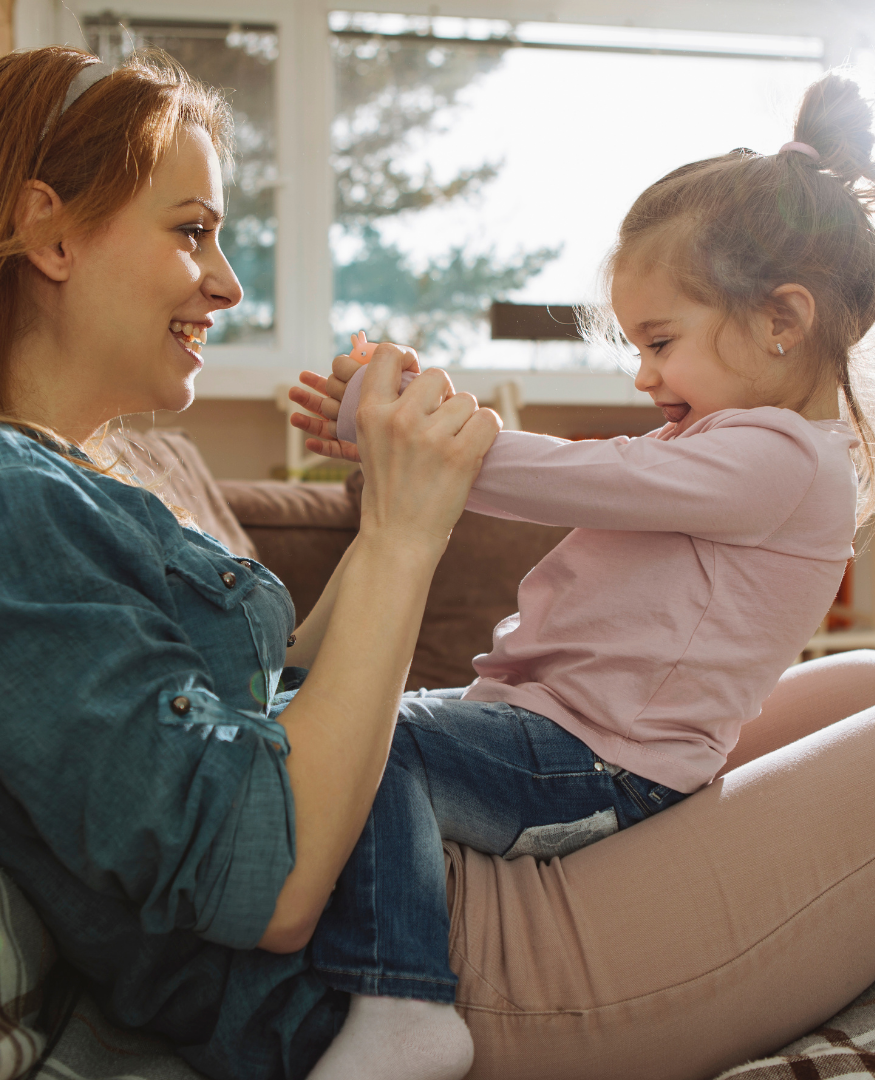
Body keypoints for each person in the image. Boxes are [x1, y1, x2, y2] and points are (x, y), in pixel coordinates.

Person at [0, 43, 875, 1080]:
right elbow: (261, 866)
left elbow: (277, 702)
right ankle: (403, 1012)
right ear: (50, 231)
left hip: (465, 867)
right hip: (445, 955)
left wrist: (406, 479)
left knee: (861, 680)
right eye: (193, 230)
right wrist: (405, 522)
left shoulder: (44, 484)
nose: (226, 283)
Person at [289, 72, 875, 1080]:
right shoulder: (746, 441)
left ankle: (404, 1005)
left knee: (374, 737)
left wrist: (422, 431)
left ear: (783, 318)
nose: (644, 375)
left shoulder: (780, 458)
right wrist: (399, 442)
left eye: (660, 341)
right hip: (563, 739)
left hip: (604, 765)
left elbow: (580, 474)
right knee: (350, 709)